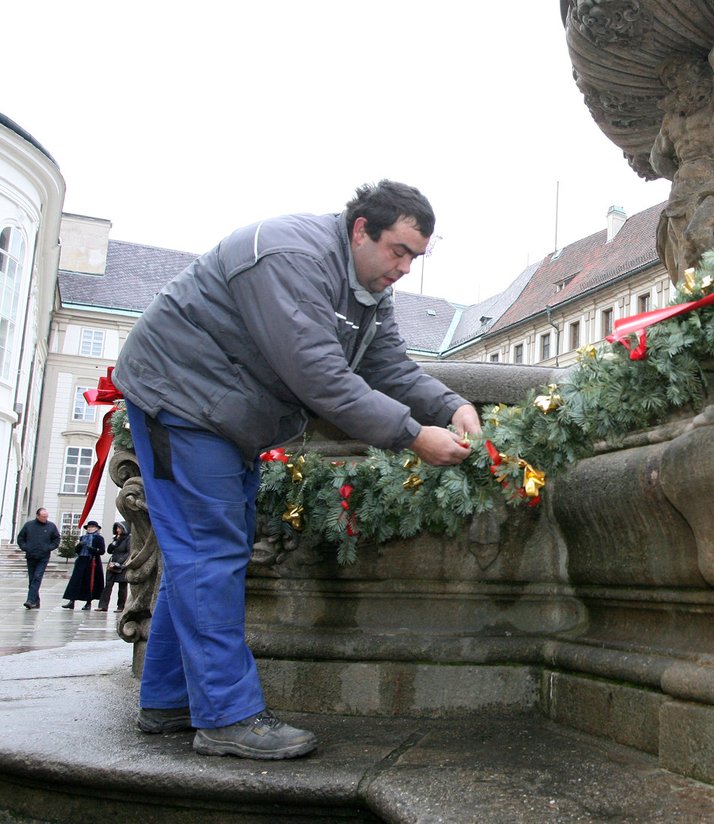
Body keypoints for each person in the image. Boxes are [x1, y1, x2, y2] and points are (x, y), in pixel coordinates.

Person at [111, 180, 482, 761]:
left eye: (416, 257)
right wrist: (414, 435)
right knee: (210, 554)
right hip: (180, 401)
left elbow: (388, 365)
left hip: (221, 414)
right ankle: (228, 717)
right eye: (399, 251)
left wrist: (452, 404)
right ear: (362, 229)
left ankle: (169, 699)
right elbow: (322, 377)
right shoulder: (293, 257)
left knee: (205, 555)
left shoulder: (364, 286)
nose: (405, 269)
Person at [650, 43, 714, 283]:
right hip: (681, 193)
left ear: (699, 74)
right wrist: (680, 173)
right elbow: (657, 158)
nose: (677, 84)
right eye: (671, 82)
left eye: (681, 76)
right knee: (684, 257)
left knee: (698, 234)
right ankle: (696, 303)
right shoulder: (672, 119)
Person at [16, 508, 60, 609]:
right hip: (31, 555)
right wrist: (25, 547)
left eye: (46, 516)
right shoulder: (29, 525)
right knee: (32, 579)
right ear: (37, 516)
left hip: (43, 556)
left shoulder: (51, 526)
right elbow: (21, 538)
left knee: (37, 577)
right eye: (43, 516)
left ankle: (30, 600)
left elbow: (56, 539)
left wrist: (49, 548)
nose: (45, 518)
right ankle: (36, 601)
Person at [62, 520, 105, 610]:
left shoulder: (99, 538)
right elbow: (77, 551)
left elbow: (101, 551)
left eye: (92, 527)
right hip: (81, 560)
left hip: (92, 562)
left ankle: (88, 602)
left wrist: (92, 549)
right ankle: (71, 601)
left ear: (96, 528)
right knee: (75, 581)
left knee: (90, 582)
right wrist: (79, 546)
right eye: (89, 527)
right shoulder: (83, 537)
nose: (90, 528)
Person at [97, 522, 130, 612]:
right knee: (108, 585)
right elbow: (109, 551)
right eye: (117, 528)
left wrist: (119, 563)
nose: (118, 530)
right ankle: (103, 605)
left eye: (119, 528)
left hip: (122, 565)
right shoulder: (116, 538)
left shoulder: (128, 539)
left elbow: (128, 552)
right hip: (112, 563)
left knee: (122, 587)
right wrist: (113, 544)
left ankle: (121, 606)